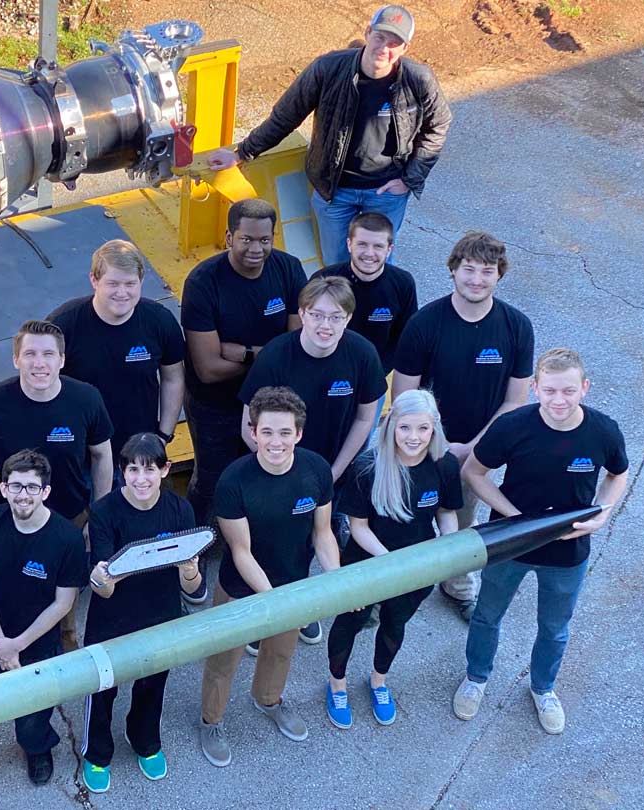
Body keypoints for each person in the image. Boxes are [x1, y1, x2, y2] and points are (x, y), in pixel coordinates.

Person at [453, 348, 628, 735]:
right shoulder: (513, 427)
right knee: (486, 615)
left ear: (584, 387)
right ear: (535, 389)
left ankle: (543, 689)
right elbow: (474, 471)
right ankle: (477, 677)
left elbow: (618, 475)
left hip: (568, 552)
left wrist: (602, 513)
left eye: (568, 390)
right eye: (549, 391)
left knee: (554, 627)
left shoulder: (603, 431)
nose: (559, 400)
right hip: (510, 545)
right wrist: (513, 516)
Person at [207, 5, 451, 265]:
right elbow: (286, 115)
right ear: (368, 33)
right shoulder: (328, 69)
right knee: (336, 267)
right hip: (334, 192)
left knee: (378, 267)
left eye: (394, 43)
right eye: (380, 37)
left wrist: (409, 179)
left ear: (405, 48)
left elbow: (439, 125)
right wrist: (243, 152)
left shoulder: (418, 80)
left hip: (386, 193)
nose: (384, 48)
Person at [392, 231, 534, 620]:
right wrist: (434, 444)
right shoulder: (425, 324)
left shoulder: (516, 327)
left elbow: (515, 401)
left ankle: (456, 587)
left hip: (477, 453)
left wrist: (470, 448)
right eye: (468, 269)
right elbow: (403, 397)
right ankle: (389, 591)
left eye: (487, 271)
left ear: (499, 275)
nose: (476, 279)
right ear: (453, 270)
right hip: (418, 445)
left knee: (463, 525)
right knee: (403, 521)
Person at [239, 275, 384, 643]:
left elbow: (366, 418)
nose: (326, 325)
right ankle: (263, 610)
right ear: (302, 313)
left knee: (315, 537)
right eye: (317, 315)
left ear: (349, 318)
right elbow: (247, 426)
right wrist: (278, 469)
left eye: (336, 317)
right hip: (276, 469)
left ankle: (302, 607)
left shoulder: (363, 354)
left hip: (332, 472)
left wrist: (332, 474)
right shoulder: (276, 355)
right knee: (269, 540)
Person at [198, 386, 339, 767]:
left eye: (284, 433)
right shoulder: (234, 480)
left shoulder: (316, 470)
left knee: (280, 653)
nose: (276, 442)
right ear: (253, 431)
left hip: (292, 585)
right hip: (240, 588)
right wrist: (274, 600)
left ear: (299, 434)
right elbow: (240, 552)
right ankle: (211, 720)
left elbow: (322, 533)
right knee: (223, 660)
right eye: (267, 432)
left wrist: (337, 582)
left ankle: (268, 700)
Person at [324, 390, 461, 729]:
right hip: (368, 563)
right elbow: (357, 527)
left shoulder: (444, 465)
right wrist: (392, 562)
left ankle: (378, 681)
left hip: (418, 568)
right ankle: (337, 685)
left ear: (434, 430)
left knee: (394, 625)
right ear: (390, 427)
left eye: (422, 429)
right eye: (405, 428)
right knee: (349, 624)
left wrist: (449, 545)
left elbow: (446, 513)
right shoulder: (368, 467)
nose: (413, 438)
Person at [0, 450, 86, 794]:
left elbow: (63, 603)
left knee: (32, 712)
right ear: (5, 489)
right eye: (16, 486)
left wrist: (19, 645)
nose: (23, 494)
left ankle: (37, 749)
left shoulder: (66, 539)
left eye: (31, 487)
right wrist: (1, 644)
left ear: (46, 492)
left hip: (37, 641)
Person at [81, 434, 201, 793]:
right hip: (110, 621)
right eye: (133, 470)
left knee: (152, 686)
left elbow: (194, 589)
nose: (141, 479)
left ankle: (145, 740)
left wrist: (189, 570)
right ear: (122, 472)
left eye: (150, 470)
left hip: (160, 615)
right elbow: (103, 587)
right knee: (101, 690)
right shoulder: (104, 512)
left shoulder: (180, 510)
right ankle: (97, 752)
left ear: (165, 470)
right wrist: (101, 578)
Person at [180, 198, 308, 528]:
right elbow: (208, 370)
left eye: (264, 240)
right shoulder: (203, 282)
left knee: (262, 469)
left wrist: (241, 352)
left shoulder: (289, 269)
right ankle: (191, 542)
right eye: (246, 239)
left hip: (268, 402)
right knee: (212, 481)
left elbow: (296, 345)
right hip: (215, 404)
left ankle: (248, 533)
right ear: (228, 238)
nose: (256, 248)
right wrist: (266, 355)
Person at [48, 240, 186, 466]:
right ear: (94, 280)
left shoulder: (159, 321)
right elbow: (41, 385)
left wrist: (162, 436)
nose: (122, 293)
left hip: (137, 455)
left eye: (130, 283)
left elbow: (173, 377)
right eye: (112, 283)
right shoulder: (63, 326)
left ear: (141, 280)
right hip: (79, 455)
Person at [0, 320, 114, 524]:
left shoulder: (87, 399)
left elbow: (102, 455)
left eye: (48, 354)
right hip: (6, 518)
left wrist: (98, 517)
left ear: (61, 360)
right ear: (16, 360)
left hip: (70, 519)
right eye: (29, 354)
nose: (39, 363)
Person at [309, 211, 418, 380]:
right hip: (324, 371)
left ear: (389, 250)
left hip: (374, 374)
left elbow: (405, 336)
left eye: (378, 246)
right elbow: (308, 329)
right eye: (362, 244)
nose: (369, 253)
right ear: (349, 244)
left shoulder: (403, 283)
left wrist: (377, 372)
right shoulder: (323, 280)